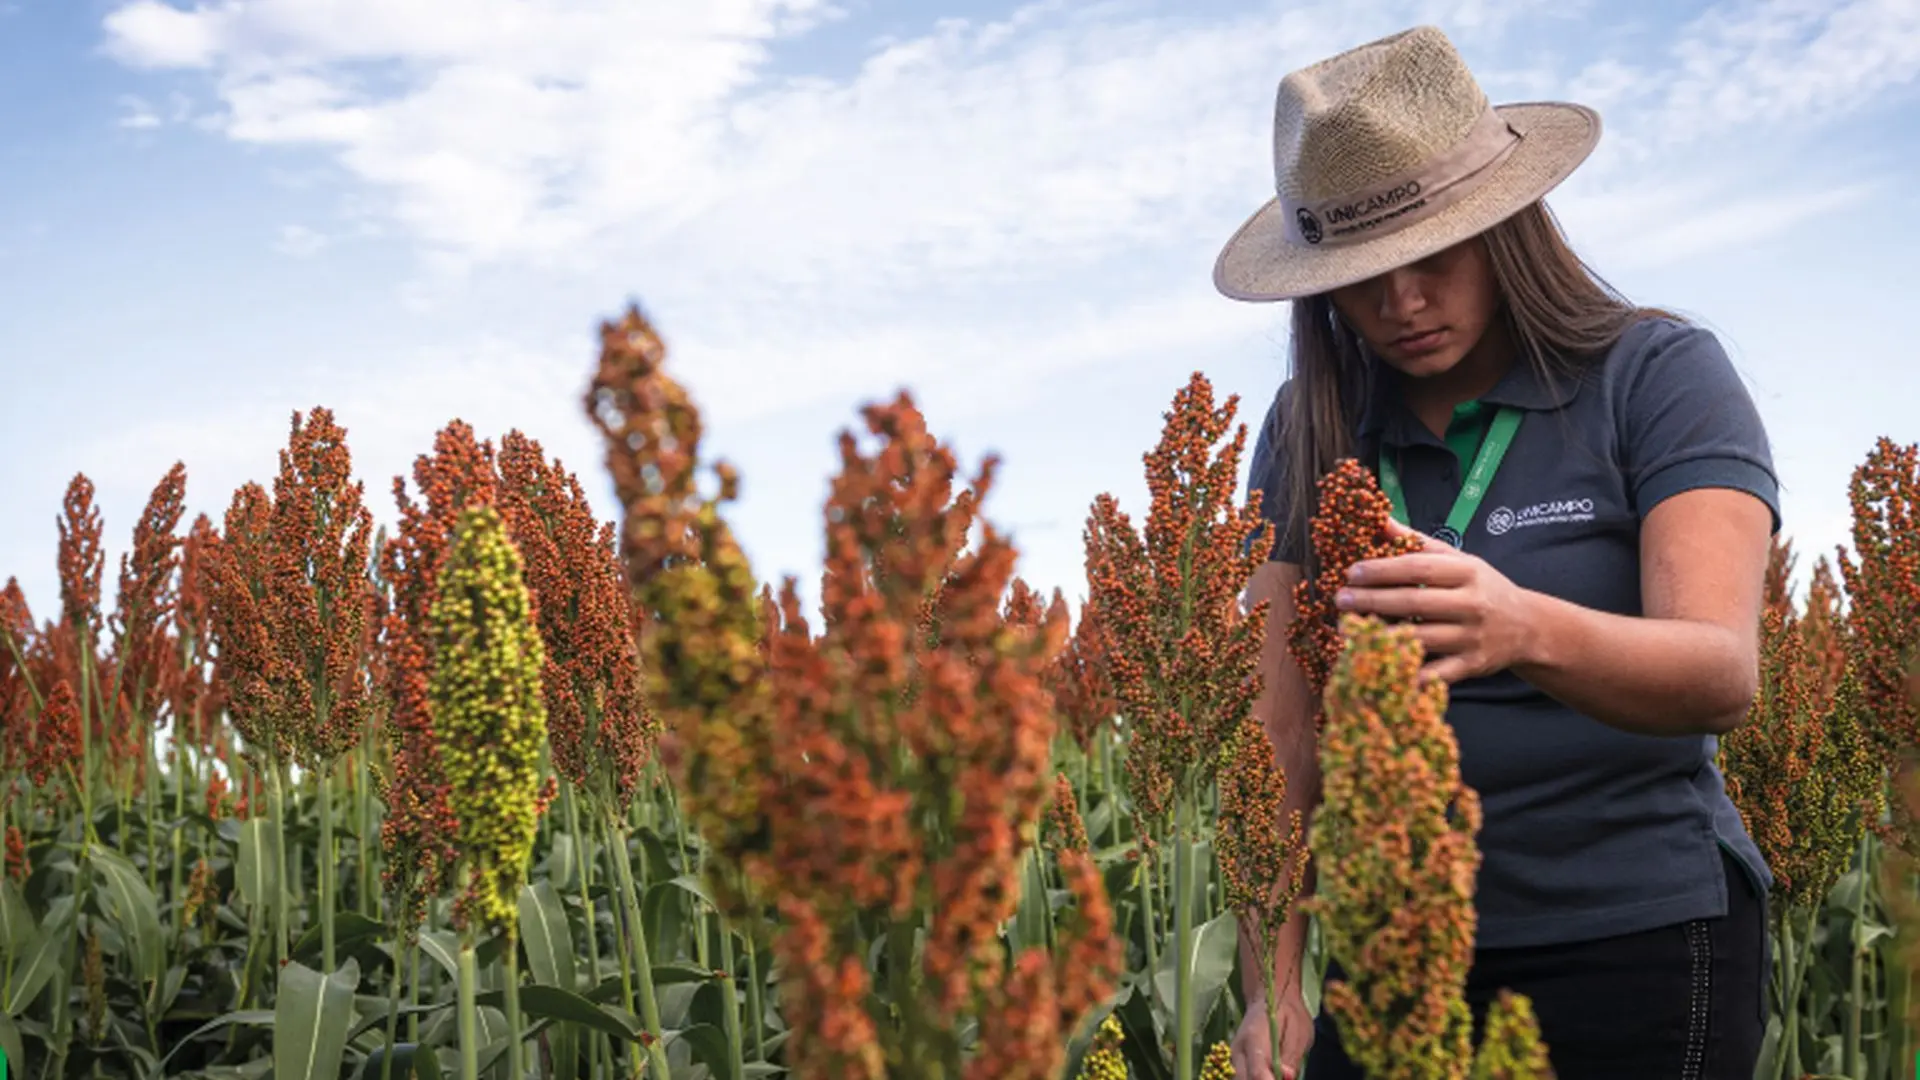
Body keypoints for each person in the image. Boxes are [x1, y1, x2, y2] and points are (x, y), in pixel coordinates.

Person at [1214, 25, 1776, 1080]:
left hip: (1640, 942)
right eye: (1364, 272)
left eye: (1435, 256)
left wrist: (1521, 628)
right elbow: (1280, 739)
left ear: (1507, 226)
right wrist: (1272, 988)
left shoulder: (1656, 374)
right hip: (1390, 945)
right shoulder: (1307, 427)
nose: (1402, 303)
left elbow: (1718, 673)